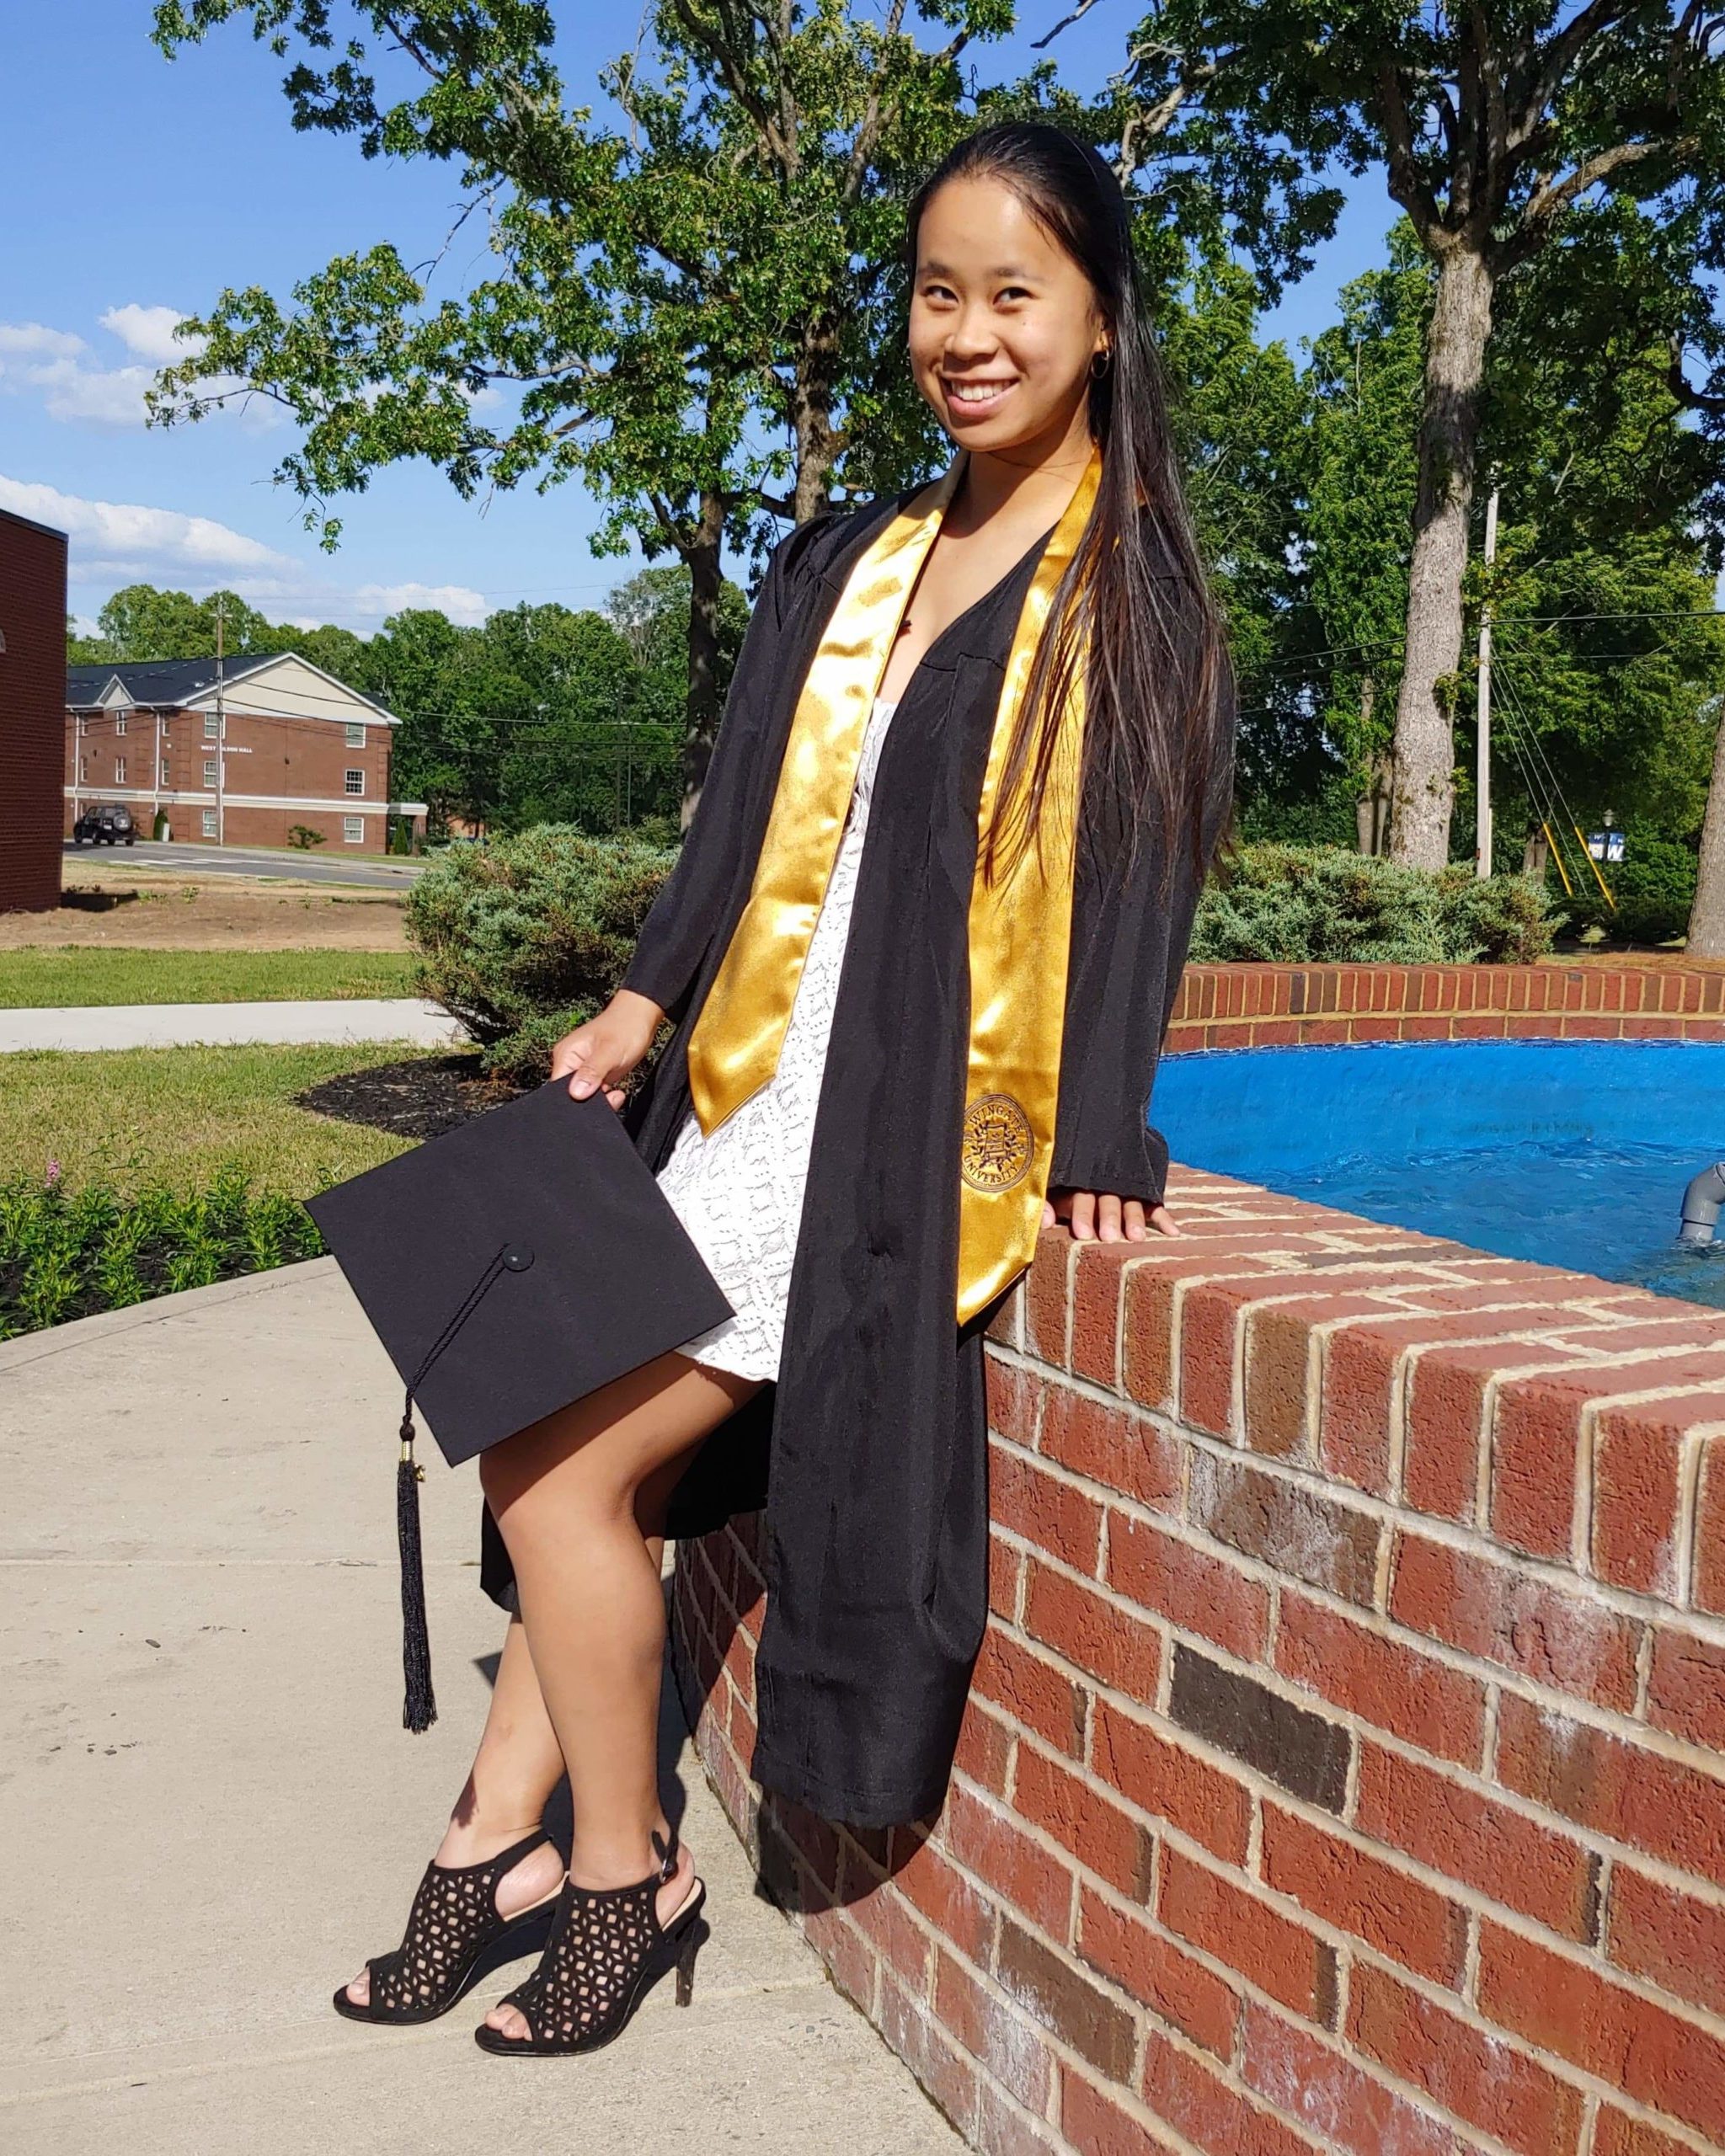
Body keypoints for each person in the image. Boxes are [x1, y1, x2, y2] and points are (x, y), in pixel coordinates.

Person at [334, 118, 1235, 2058]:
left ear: (1098, 319)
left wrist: (1095, 1127)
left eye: (1014, 294)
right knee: (562, 1442)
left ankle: (617, 1861)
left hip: (879, 1140)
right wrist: (646, 1000)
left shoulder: (1125, 592)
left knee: (561, 1466)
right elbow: (739, 803)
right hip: (732, 1103)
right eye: (937, 292)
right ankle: (499, 1829)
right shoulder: (849, 554)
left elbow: (1135, 887)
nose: (966, 334)